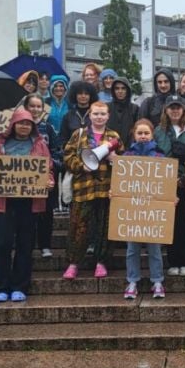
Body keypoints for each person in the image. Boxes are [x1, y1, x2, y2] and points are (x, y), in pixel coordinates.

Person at [0, 107, 54, 302]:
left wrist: (49, 181)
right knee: (3, 244)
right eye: (21, 123)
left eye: (28, 123)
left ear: (32, 126)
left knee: (25, 244)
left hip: (30, 203)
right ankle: (0, 287)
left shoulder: (40, 145)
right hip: (4, 202)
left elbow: (48, 168)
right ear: (13, 125)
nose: (24, 126)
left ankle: (20, 286)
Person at [62, 101, 125, 280]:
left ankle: (101, 262)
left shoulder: (114, 136)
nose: (99, 117)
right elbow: (67, 156)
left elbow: (124, 160)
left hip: (107, 189)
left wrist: (115, 158)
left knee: (104, 227)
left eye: (102, 114)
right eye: (96, 114)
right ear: (89, 115)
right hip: (83, 189)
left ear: (108, 116)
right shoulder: (78, 134)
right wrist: (81, 166)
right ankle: (74, 263)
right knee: (78, 226)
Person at [154, 95, 185, 277]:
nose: (175, 110)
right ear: (166, 110)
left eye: (178, 107)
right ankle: (172, 261)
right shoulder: (158, 131)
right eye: (171, 107)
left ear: (183, 110)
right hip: (166, 183)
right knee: (169, 224)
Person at [120, 119, 167, 299]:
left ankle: (157, 281)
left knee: (154, 248)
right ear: (134, 135)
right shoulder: (127, 156)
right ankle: (132, 281)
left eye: (146, 133)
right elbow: (121, 183)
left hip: (153, 210)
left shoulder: (160, 157)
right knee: (132, 248)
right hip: (133, 210)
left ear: (152, 135)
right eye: (139, 133)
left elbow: (165, 184)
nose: (143, 136)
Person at [24, 94, 62, 258]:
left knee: (46, 214)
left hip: (46, 179)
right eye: (32, 106)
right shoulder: (18, 128)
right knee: (26, 214)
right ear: (26, 108)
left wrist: (49, 166)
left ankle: (45, 245)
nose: (35, 109)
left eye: (39, 106)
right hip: (23, 180)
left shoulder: (49, 129)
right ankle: (27, 244)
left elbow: (58, 154)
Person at [59, 81, 98, 146]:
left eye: (86, 94)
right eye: (80, 93)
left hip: (93, 152)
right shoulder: (68, 115)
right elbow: (63, 138)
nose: (83, 96)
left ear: (91, 96)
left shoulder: (96, 114)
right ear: (75, 95)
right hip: (71, 153)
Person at [107, 76, 139, 148]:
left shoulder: (135, 108)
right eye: (117, 88)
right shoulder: (106, 107)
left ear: (128, 90)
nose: (120, 91)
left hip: (129, 150)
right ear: (113, 91)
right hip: (109, 148)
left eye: (123, 88)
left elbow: (136, 130)